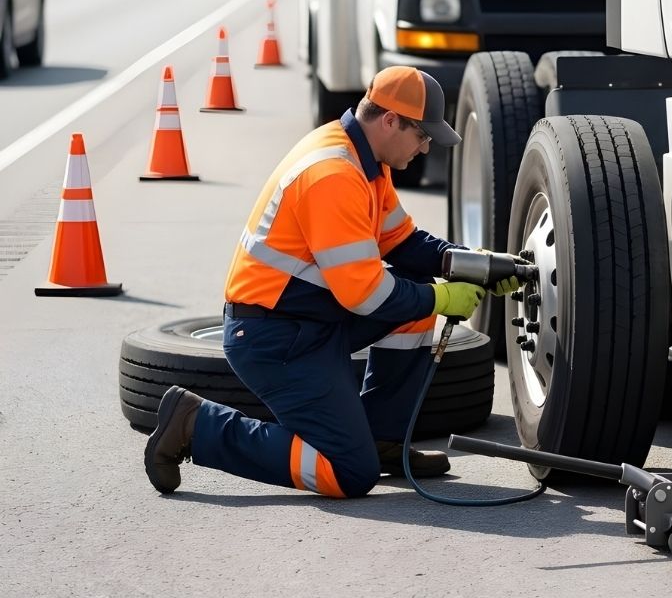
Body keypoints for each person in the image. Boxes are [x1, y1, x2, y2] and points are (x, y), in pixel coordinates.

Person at [143, 65, 513, 498]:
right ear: (391, 120)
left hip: (312, 321)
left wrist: (477, 265)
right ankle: (195, 425)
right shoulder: (334, 174)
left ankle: (382, 439)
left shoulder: (367, 161)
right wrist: (442, 298)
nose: (427, 147)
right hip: (275, 340)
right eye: (423, 135)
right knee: (350, 473)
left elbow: (405, 243)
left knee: (415, 290)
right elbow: (367, 294)